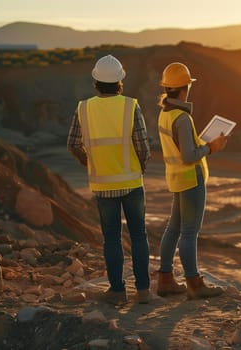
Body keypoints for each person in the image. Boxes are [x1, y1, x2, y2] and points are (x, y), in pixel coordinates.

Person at [67, 54, 151, 305]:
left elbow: (72, 143)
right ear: (119, 83)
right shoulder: (130, 106)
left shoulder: (84, 108)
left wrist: (89, 161)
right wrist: (139, 168)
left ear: (95, 82)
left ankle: (117, 291)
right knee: (138, 236)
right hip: (132, 183)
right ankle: (144, 292)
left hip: (103, 184)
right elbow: (143, 146)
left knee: (112, 239)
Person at [156, 62, 227, 299]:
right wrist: (211, 147)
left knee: (173, 228)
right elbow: (189, 156)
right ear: (185, 87)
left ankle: (165, 279)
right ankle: (194, 284)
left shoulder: (165, 114)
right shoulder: (182, 119)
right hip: (190, 180)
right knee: (188, 232)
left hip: (176, 179)